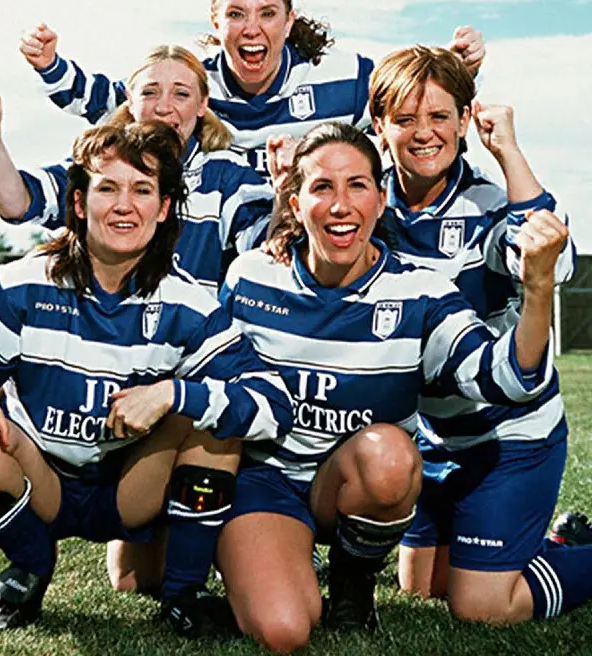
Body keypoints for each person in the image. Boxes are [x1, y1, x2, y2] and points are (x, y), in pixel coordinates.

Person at [0, 121, 295, 632]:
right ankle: (28, 564)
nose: (125, 205)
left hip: (130, 486)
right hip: (40, 479)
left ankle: (185, 595)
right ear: (79, 203)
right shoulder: (20, 284)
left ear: (164, 209)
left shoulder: (189, 303)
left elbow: (273, 404)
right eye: (108, 188)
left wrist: (171, 393)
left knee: (213, 421)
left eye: (142, 190)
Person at [213, 122, 571, 653]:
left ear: (381, 201)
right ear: (293, 200)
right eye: (322, 187)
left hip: (355, 481)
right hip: (271, 480)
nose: (341, 205)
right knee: (283, 631)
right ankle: (278, 562)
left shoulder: (420, 290)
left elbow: (507, 379)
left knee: (391, 456)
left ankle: (354, 583)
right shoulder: (251, 277)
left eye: (357, 186)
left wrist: (538, 291)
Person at [359, 45, 592, 625]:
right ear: (380, 126)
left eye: (439, 117)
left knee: (481, 607)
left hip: (509, 436)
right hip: (433, 437)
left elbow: (553, 264)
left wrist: (506, 147)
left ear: (464, 121)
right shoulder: (368, 200)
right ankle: (559, 548)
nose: (424, 133)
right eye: (405, 119)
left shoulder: (486, 203)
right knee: (419, 589)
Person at [17, 0, 486, 173]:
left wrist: (459, 67)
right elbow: (108, 100)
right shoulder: (190, 82)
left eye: (267, 14)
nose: (252, 29)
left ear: (288, 21)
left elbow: (410, 102)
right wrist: (51, 63)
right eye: (236, 15)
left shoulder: (341, 74)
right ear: (216, 24)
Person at [0, 44, 275, 295]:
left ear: (202, 104)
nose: (163, 107)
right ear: (130, 101)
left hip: (189, 350)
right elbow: (17, 203)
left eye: (181, 94)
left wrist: (287, 187)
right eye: (150, 93)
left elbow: (271, 248)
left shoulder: (227, 174)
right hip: (106, 343)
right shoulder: (100, 163)